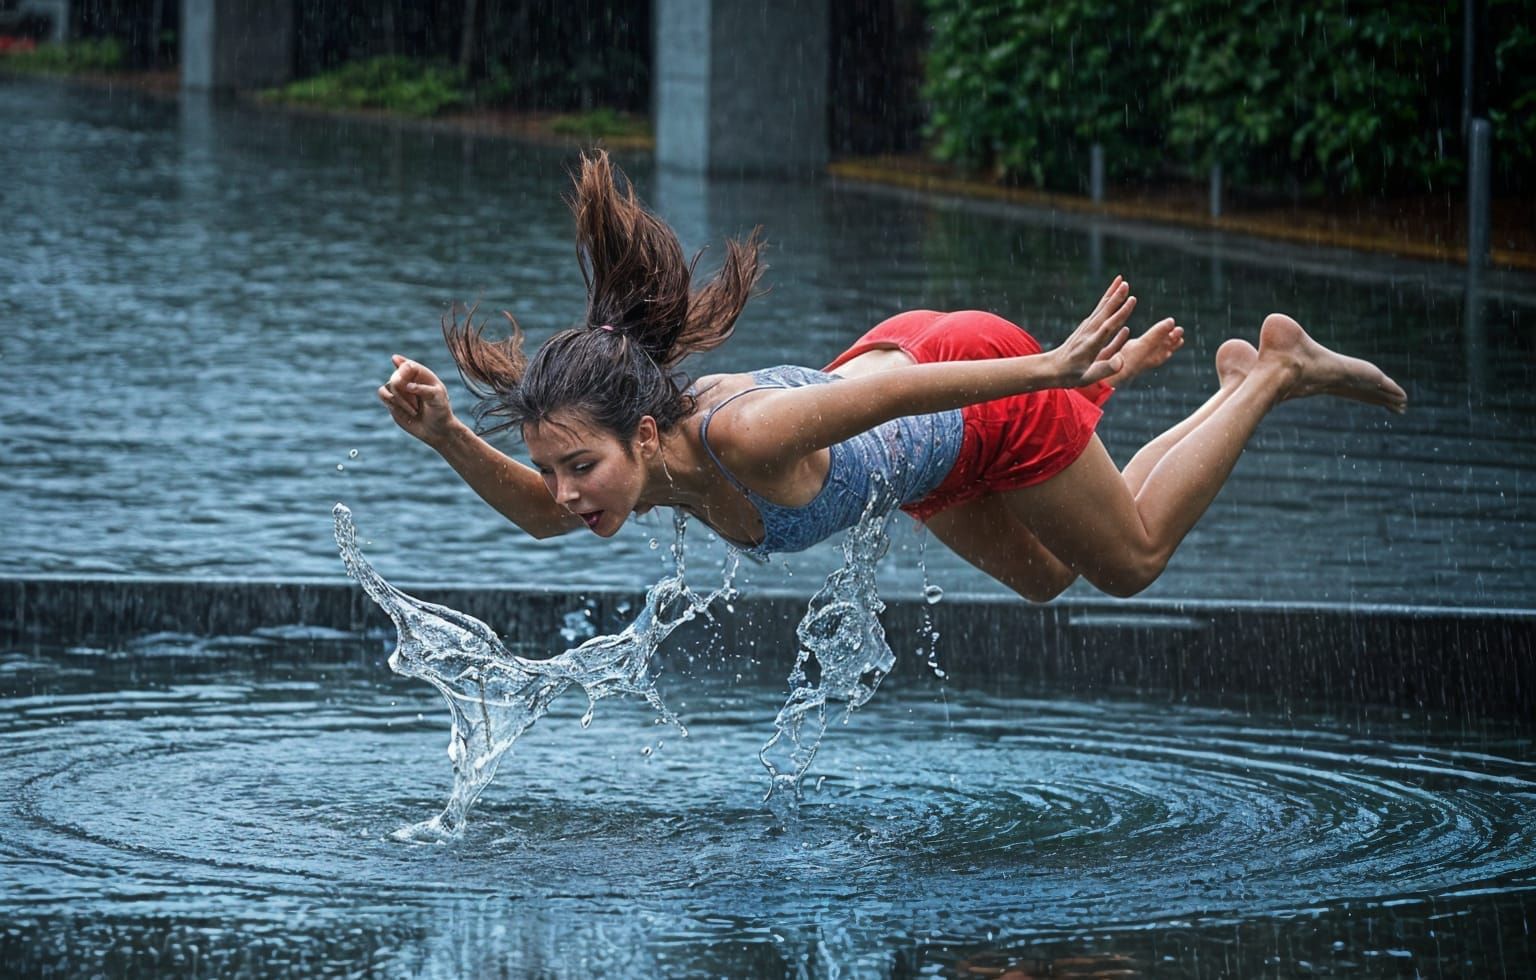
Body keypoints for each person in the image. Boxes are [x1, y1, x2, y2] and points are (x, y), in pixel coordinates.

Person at [379, 152, 1406, 602]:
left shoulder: (740, 437)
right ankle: (1221, 383)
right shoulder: (642, 463)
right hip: (919, 445)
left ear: (641, 436)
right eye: (555, 468)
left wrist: (1044, 368)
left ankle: (1270, 370)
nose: (565, 490)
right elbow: (543, 516)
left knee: (1130, 561)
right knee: (1050, 577)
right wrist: (443, 435)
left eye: (575, 466)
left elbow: (899, 391)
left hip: (950, 376)